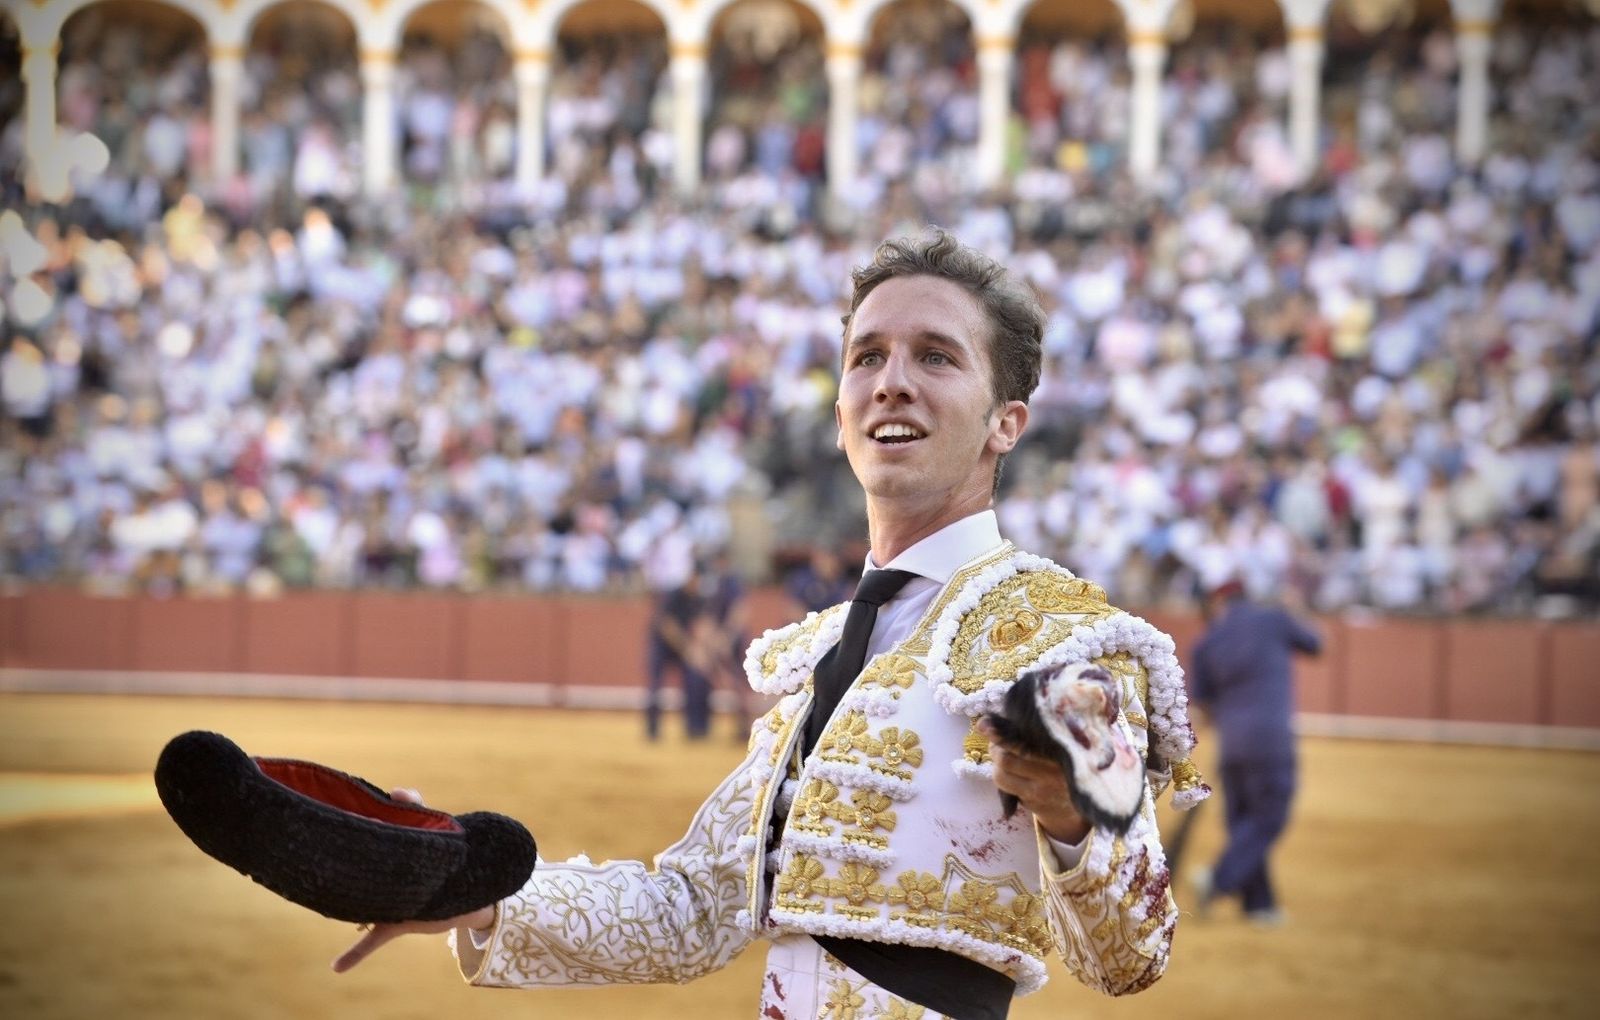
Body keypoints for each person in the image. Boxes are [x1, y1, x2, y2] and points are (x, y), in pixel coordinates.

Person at [332, 230, 1209, 1017]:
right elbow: (692, 910)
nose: (892, 379)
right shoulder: (827, 652)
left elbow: (1132, 956)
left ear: (1004, 424)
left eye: (936, 357)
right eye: (867, 357)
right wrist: (469, 889)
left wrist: (1072, 820)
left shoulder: (1060, 640)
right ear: (840, 419)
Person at [1188, 579, 1322, 926]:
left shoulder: (1207, 643)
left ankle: (1259, 905)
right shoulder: (1274, 619)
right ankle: (1218, 879)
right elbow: (1318, 644)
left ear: (1219, 604)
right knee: (1268, 816)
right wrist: (1296, 608)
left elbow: (1202, 710)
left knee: (1243, 823)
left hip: (1232, 744)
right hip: (1270, 739)